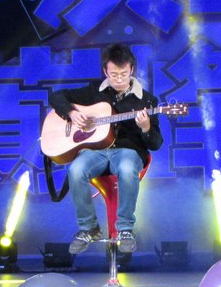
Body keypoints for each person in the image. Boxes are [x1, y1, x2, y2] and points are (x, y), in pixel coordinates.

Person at [48, 43, 163, 255]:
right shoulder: (94, 91)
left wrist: (146, 127)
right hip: (96, 151)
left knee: (127, 169)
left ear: (132, 70)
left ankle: (125, 229)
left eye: (123, 74)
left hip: (128, 152)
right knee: (76, 170)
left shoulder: (147, 100)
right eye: (113, 75)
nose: (119, 79)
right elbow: (56, 97)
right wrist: (71, 113)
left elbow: (155, 143)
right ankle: (89, 228)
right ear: (105, 72)